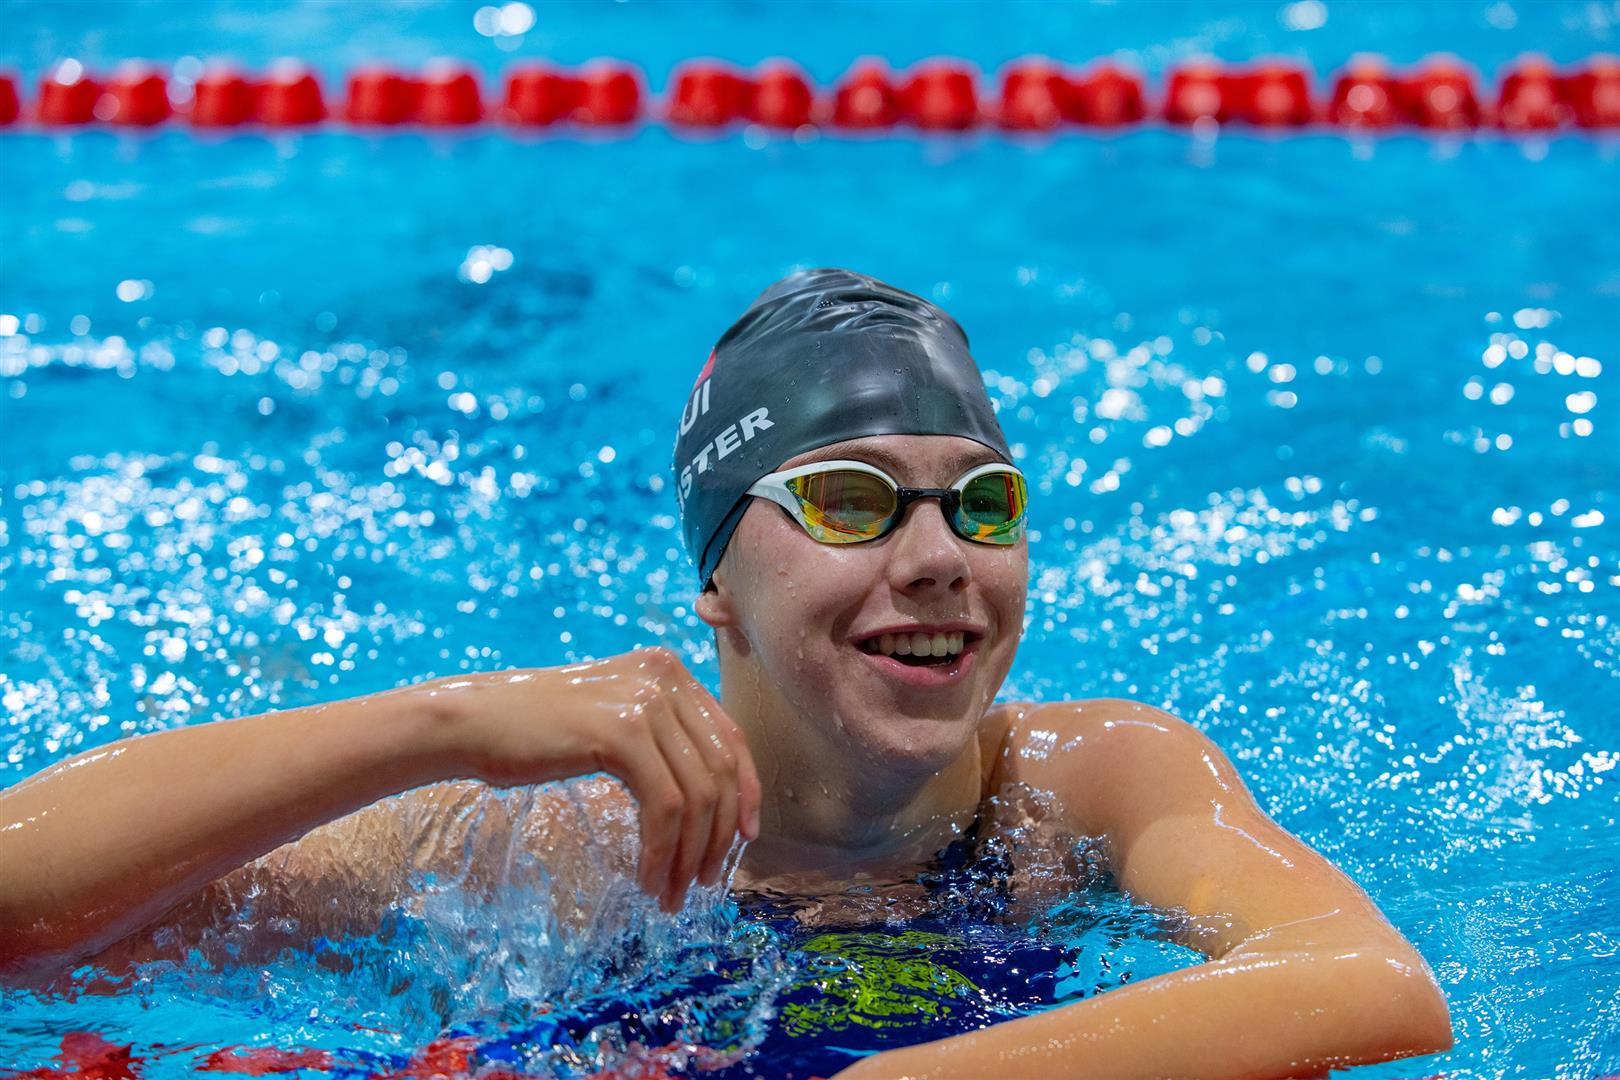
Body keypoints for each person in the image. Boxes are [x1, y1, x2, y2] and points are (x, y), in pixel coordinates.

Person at [0, 268, 1451, 1078]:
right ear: (717, 583)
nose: (939, 556)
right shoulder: (548, 845)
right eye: (851, 502)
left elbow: (1368, 982)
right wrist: (442, 724)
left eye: (981, 504)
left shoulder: (1080, 790)